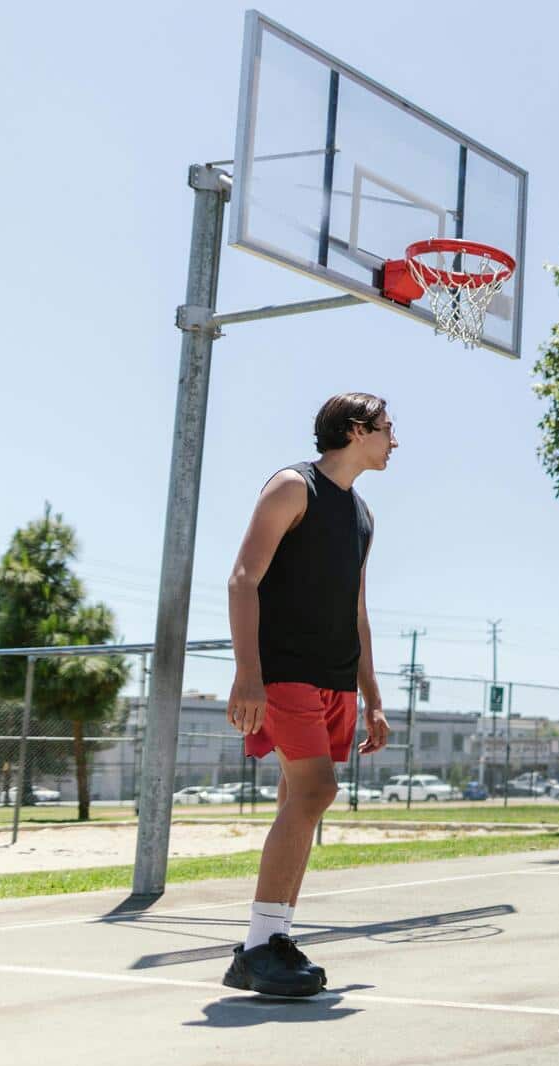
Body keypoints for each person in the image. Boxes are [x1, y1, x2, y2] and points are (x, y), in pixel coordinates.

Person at [221, 393, 394, 996]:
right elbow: (243, 579)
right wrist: (248, 674)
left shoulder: (363, 515)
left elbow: (357, 610)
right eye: (386, 429)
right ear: (355, 430)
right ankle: (258, 944)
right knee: (319, 790)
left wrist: (371, 695)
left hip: (335, 679)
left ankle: (272, 938)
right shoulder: (293, 487)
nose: (394, 441)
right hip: (285, 671)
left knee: (299, 796)